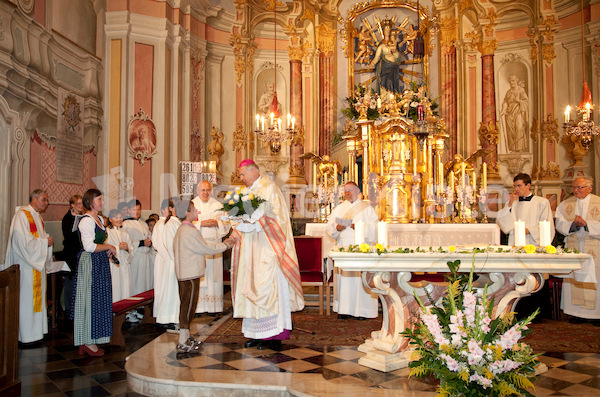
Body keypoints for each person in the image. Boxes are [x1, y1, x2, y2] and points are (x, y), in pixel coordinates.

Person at [231, 159, 304, 350]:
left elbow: (278, 218)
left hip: (268, 248)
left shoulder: (270, 188)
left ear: (253, 171)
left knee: (268, 289)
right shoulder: (246, 193)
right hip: (251, 248)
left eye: (242, 174)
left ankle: (274, 336)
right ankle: (255, 333)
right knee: (250, 286)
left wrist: (257, 222)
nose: (241, 178)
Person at [173, 199, 234, 353]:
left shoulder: (182, 229)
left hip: (186, 273)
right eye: (194, 209)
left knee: (187, 305)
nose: (197, 212)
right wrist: (226, 244)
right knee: (188, 307)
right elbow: (206, 248)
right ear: (187, 213)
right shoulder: (190, 231)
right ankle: (182, 341)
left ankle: (185, 337)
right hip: (190, 274)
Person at [3, 189, 54, 343]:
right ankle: (25, 335)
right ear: (34, 198)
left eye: (47, 200)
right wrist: (45, 242)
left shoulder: (37, 216)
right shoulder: (21, 215)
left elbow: (37, 238)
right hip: (26, 266)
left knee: (36, 300)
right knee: (26, 300)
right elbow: (21, 242)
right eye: (44, 200)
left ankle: (36, 333)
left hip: (35, 264)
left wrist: (46, 241)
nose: (46, 203)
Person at [72, 189, 117, 356]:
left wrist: (105, 251)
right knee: (89, 301)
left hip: (99, 262)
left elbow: (97, 244)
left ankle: (95, 337)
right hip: (90, 264)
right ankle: (86, 341)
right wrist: (109, 247)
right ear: (90, 202)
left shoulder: (98, 219)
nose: (102, 202)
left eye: (102, 199)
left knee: (99, 299)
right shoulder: (86, 221)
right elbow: (89, 246)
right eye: (99, 199)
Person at [326, 182, 379, 319]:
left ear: (358, 191)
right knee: (345, 280)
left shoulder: (367, 208)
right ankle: (345, 310)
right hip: (344, 247)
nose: (347, 193)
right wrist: (337, 228)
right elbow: (330, 227)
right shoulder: (339, 208)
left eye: (350, 190)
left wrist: (358, 227)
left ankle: (363, 311)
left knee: (360, 280)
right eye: (345, 191)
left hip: (362, 248)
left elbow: (375, 229)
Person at [556, 177, 600, 323]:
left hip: (594, 246)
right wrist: (573, 225)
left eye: (580, 187)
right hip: (574, 246)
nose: (576, 190)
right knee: (575, 277)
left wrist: (587, 225)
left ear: (590, 188)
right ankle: (576, 313)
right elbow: (559, 223)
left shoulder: (598, 203)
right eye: (574, 187)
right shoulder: (566, 204)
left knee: (595, 278)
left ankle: (596, 315)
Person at [192, 180, 230, 315]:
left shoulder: (218, 205)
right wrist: (201, 224)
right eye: (203, 190)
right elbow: (187, 224)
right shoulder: (192, 205)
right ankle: (198, 307)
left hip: (214, 247)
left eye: (208, 190)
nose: (205, 193)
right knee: (200, 275)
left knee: (214, 276)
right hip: (198, 247)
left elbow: (226, 224)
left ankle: (214, 307)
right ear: (197, 191)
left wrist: (217, 223)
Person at [496, 173, 554, 246]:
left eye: (519, 186)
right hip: (515, 242)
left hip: (534, 242)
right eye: (515, 186)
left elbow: (547, 224)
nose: (516, 189)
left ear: (528, 186)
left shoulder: (542, 202)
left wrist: (529, 230)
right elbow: (502, 222)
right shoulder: (512, 203)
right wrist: (509, 204)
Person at [152, 198, 181, 328]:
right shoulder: (161, 224)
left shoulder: (174, 222)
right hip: (165, 260)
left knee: (168, 289)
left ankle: (170, 316)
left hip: (170, 259)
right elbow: (159, 244)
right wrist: (170, 259)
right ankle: (163, 317)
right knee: (164, 289)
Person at [123, 199, 154, 295]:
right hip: (136, 258)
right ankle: (135, 306)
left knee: (146, 282)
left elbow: (149, 236)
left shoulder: (143, 224)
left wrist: (150, 241)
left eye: (138, 209)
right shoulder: (125, 224)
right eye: (134, 210)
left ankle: (145, 304)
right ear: (129, 210)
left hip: (146, 257)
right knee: (137, 282)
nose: (136, 212)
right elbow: (126, 242)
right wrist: (141, 243)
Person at [369, 19, 404, 101]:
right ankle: (384, 100)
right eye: (386, 29)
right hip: (384, 68)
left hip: (393, 68)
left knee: (391, 82)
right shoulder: (382, 45)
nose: (387, 31)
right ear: (383, 31)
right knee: (384, 82)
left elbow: (398, 57)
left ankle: (392, 100)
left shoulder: (395, 44)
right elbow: (377, 57)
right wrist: (372, 64)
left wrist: (395, 53)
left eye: (389, 29)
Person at [61, 194, 83, 317]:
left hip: (80, 251)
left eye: (81, 204)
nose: (80, 206)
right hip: (71, 253)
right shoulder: (67, 218)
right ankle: (70, 308)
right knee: (71, 280)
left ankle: (78, 306)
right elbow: (68, 236)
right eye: (78, 204)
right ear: (72, 205)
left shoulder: (83, 217)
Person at [106, 209, 133, 302]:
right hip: (114, 265)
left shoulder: (125, 232)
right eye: (116, 217)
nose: (119, 219)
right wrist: (118, 247)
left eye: (120, 217)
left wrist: (127, 249)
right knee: (116, 288)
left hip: (124, 264)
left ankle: (127, 312)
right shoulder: (107, 232)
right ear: (110, 219)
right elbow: (106, 248)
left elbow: (131, 247)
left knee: (126, 288)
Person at [501, 75, 529, 152]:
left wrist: (519, 101)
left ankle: (519, 148)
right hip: (509, 113)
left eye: (513, 81)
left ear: (516, 81)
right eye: (510, 81)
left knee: (519, 128)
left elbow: (526, 102)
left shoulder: (521, 90)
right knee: (510, 131)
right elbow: (505, 102)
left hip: (518, 112)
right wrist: (503, 110)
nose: (511, 82)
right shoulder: (508, 92)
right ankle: (513, 148)